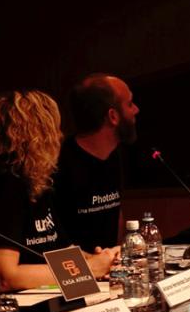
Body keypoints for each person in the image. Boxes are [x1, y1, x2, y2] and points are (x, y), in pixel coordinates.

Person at [0, 90, 116, 312]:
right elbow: (4, 275)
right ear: (39, 136)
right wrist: (90, 270)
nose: (60, 136)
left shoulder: (36, 184)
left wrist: (100, 258)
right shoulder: (4, 185)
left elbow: (60, 250)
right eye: (54, 129)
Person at [53, 73, 139, 253]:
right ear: (113, 116)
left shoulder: (114, 153)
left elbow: (116, 212)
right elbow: (53, 238)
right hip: (75, 272)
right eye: (130, 104)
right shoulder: (58, 163)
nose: (136, 110)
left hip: (109, 271)